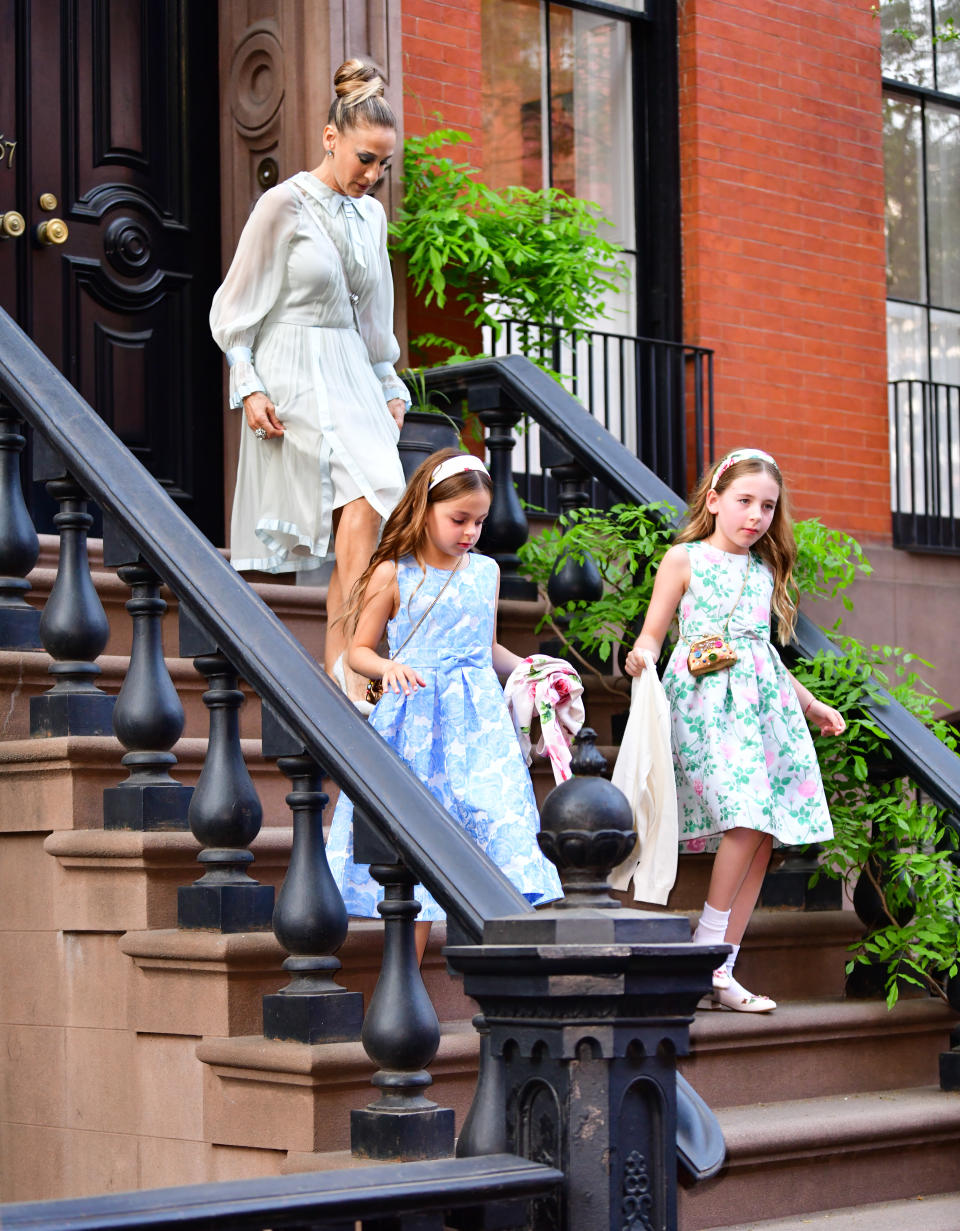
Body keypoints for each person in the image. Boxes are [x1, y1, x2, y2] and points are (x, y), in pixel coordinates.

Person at [209, 58, 408, 702]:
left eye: (384, 164)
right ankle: (350, 666)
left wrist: (389, 383)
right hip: (295, 366)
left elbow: (376, 316)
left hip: (351, 369)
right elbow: (234, 307)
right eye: (364, 158)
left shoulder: (371, 217)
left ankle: (343, 657)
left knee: (374, 503)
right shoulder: (282, 204)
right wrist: (250, 384)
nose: (373, 176)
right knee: (358, 503)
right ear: (330, 137)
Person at [624, 448, 845, 1013]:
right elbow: (655, 632)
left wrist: (812, 702)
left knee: (761, 835)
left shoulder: (763, 572)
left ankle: (720, 967)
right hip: (704, 703)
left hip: (763, 708)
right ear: (715, 500)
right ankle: (706, 953)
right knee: (745, 815)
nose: (756, 516)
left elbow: (763, 653)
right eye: (745, 501)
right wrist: (641, 655)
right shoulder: (684, 559)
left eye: (768, 507)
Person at [324, 448, 564, 954]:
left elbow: (486, 648)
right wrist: (387, 666)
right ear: (424, 508)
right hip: (414, 719)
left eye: (478, 522)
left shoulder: (486, 573)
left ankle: (500, 971)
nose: (470, 532)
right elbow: (357, 652)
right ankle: (405, 978)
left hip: (478, 726)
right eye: (459, 519)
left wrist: (533, 670)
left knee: (495, 823)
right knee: (417, 847)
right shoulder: (394, 574)